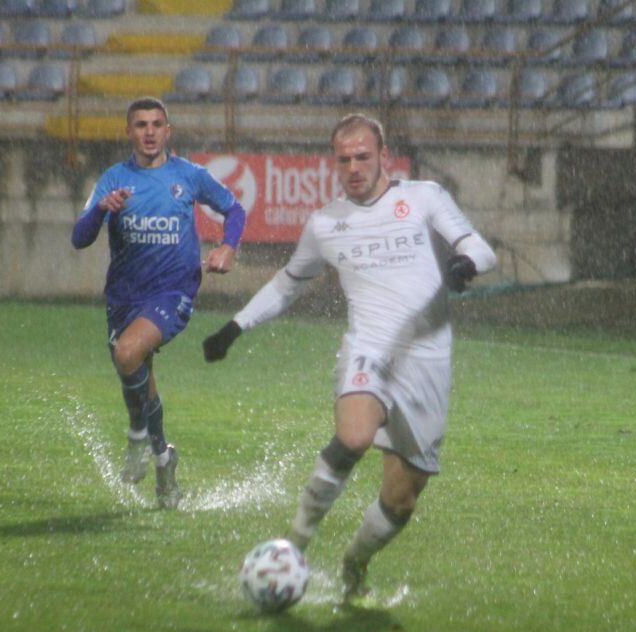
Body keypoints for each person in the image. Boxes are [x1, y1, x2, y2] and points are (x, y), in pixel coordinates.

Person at [202, 113, 496, 600]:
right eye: (345, 159)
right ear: (334, 163)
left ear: (384, 156)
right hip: (369, 348)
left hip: (426, 360)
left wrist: (463, 264)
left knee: (401, 500)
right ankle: (292, 549)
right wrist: (236, 327)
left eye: (363, 156)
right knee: (354, 435)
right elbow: (288, 283)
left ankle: (354, 563)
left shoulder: (423, 199)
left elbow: (480, 248)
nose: (355, 166)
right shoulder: (326, 224)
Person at [71, 96, 246, 509]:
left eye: (156, 124)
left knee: (128, 352)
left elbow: (234, 209)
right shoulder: (113, 179)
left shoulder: (189, 175)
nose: (149, 132)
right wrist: (100, 210)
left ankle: (136, 439)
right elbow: (79, 238)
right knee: (136, 371)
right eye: (140, 125)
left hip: (174, 290)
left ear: (168, 131)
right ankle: (164, 460)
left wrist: (228, 248)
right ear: (129, 132)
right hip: (124, 296)